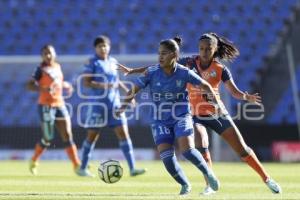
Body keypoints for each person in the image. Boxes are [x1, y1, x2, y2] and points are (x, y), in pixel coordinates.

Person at [117, 33, 282, 195]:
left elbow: (234, 92)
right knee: (200, 143)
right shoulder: (188, 63)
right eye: (201, 48)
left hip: (216, 112)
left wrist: (246, 97)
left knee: (242, 150)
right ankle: (209, 183)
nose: (204, 52)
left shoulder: (220, 69)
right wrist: (133, 71)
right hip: (193, 114)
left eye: (208, 49)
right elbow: (159, 67)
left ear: (215, 49)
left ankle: (267, 179)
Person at [116, 38, 220, 195]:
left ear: (174, 55)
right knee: (166, 157)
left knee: (187, 150)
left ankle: (208, 173)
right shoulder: (151, 72)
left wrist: (215, 102)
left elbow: (205, 85)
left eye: (164, 53)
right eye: (159, 53)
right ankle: (185, 184)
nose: (160, 57)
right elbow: (134, 89)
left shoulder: (184, 72)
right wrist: (123, 106)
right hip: (160, 120)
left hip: (181, 116)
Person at [75, 35, 146, 177]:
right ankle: (83, 168)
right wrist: (105, 85)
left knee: (124, 134)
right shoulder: (92, 62)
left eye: (105, 45)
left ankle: (132, 168)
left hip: (114, 104)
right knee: (92, 137)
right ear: (95, 48)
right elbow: (86, 82)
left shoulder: (113, 61)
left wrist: (128, 94)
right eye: (100, 46)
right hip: (97, 105)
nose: (103, 48)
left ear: (109, 47)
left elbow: (117, 81)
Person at [26, 44, 81, 175]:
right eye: (45, 53)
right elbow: (29, 85)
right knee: (48, 138)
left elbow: (57, 83)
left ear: (55, 54)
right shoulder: (40, 70)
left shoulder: (57, 67)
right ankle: (34, 160)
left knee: (67, 135)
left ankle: (77, 166)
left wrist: (65, 84)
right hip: (45, 106)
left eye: (50, 53)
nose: (48, 56)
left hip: (60, 104)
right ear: (42, 56)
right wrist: (43, 89)